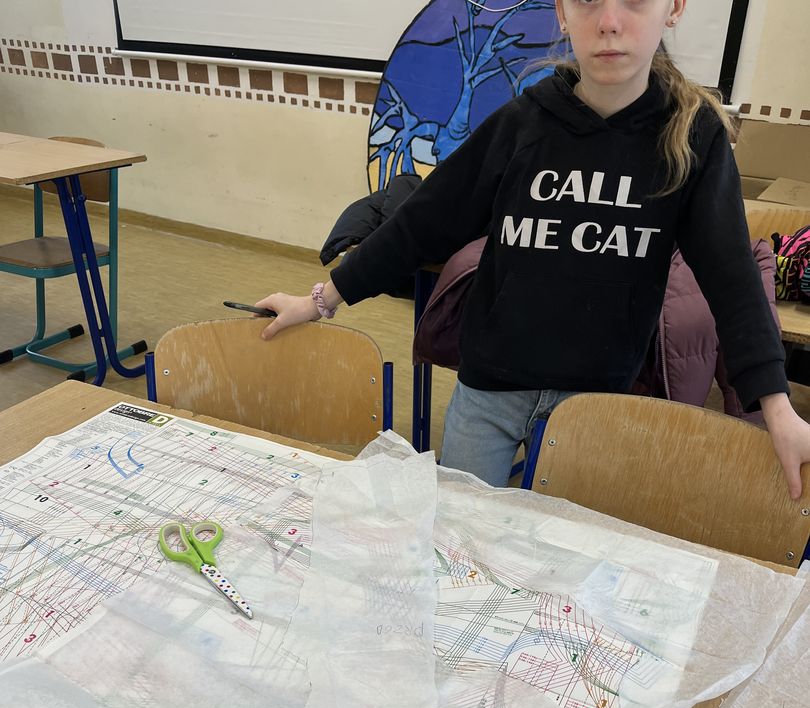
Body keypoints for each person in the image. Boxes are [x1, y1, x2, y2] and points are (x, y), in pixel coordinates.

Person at [255, 0, 810, 497]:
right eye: (586, 1)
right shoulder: (523, 123)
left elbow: (733, 280)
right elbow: (420, 224)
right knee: (460, 544)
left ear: (674, 7)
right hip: (488, 395)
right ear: (562, 13)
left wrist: (777, 406)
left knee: (562, 558)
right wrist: (319, 300)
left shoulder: (693, 136)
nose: (609, 21)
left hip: (596, 405)